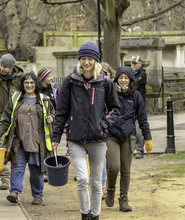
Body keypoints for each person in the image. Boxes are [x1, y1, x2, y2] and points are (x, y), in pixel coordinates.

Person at [51, 41, 122, 220]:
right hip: (76, 138)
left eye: (90, 59)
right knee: (83, 179)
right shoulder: (70, 81)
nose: (86, 62)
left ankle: (95, 215)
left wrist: (103, 124)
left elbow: (116, 108)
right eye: (83, 58)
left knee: (97, 183)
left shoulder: (105, 82)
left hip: (98, 139)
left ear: (96, 60)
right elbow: (62, 111)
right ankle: (85, 214)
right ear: (79, 60)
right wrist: (56, 136)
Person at [0, 72, 55, 205]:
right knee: (17, 167)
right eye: (26, 82)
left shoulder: (44, 99)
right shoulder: (15, 98)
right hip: (18, 141)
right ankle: (14, 193)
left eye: (32, 82)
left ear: (36, 84)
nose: (29, 85)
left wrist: (52, 119)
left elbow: (53, 115)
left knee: (36, 170)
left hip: (37, 142)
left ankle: (37, 195)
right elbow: (5, 118)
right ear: (22, 84)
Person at [105, 66, 153, 212]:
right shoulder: (110, 93)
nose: (123, 80)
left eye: (126, 78)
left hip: (129, 135)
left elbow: (142, 119)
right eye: (121, 77)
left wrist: (147, 138)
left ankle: (124, 199)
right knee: (114, 167)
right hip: (111, 135)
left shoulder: (136, 96)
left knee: (126, 169)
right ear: (116, 79)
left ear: (131, 80)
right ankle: (111, 189)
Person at [0, 53, 24, 190]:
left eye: (5, 67)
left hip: (16, 120)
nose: (2, 68)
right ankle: (5, 179)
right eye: (1, 65)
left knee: (16, 150)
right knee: (1, 150)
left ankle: (16, 179)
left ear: (12, 67)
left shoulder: (21, 79)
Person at [100, 62, 116, 200]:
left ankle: (107, 185)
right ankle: (101, 188)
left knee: (110, 163)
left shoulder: (113, 91)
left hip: (112, 132)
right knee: (100, 161)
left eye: (108, 74)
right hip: (100, 132)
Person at [131, 55, 147, 159]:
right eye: (132, 63)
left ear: (140, 64)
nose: (133, 65)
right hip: (130, 103)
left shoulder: (142, 74)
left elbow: (134, 83)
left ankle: (140, 150)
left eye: (135, 63)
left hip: (139, 104)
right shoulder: (129, 73)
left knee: (139, 128)